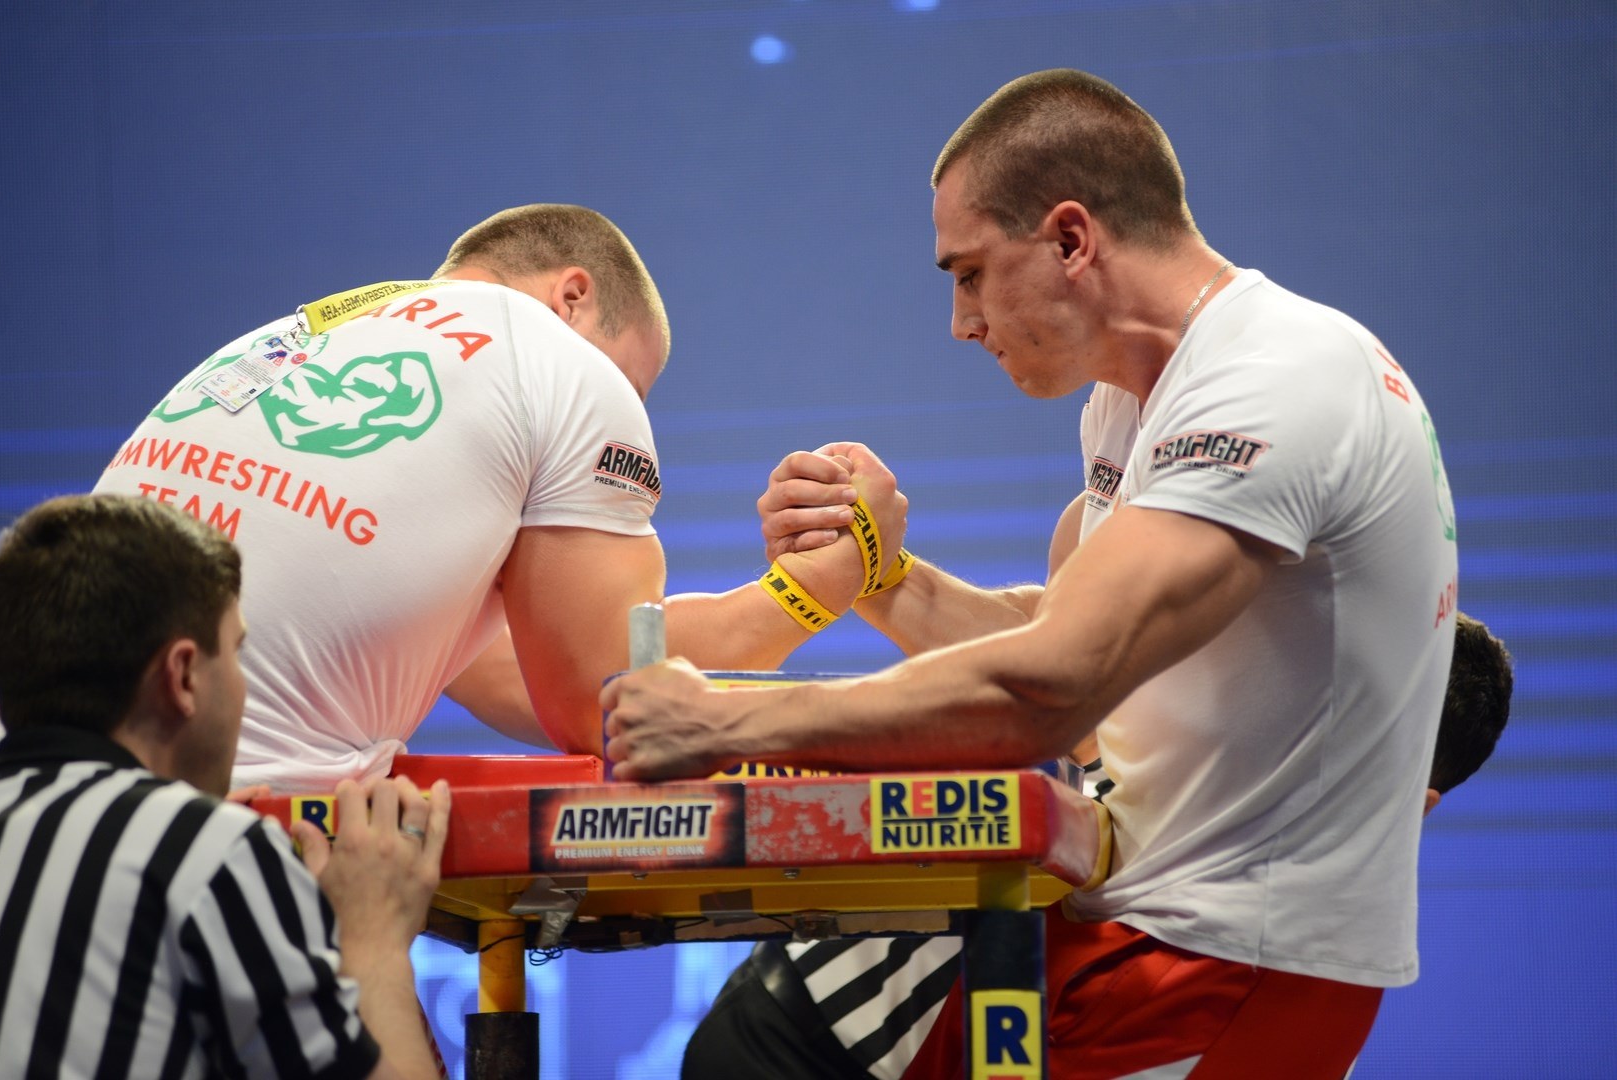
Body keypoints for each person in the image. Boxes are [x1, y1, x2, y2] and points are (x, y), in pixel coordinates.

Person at [604, 68, 1460, 1077]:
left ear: (1069, 239)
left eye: (967, 273)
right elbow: (1083, 659)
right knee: (762, 1033)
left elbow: (1053, 686)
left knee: (776, 1036)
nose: (962, 322)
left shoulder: (1274, 381)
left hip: (1219, 966)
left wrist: (719, 725)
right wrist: (879, 575)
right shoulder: (1139, 400)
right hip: (1128, 935)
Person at [78, 204, 898, 791]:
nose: (629, 411)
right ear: (572, 295)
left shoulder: (300, 335)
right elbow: (601, 702)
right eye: (632, 385)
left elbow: (521, 678)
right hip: (218, 823)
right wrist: (830, 580)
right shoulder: (561, 366)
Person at [681, 611, 1514, 1079]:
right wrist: (883, 580)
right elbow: (1062, 667)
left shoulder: (1299, 1003)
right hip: (786, 1037)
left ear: (1415, 806)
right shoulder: (1241, 733)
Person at [0, 493, 450, 1079]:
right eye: (235, 652)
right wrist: (372, 942)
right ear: (183, 675)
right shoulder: (209, 852)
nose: (240, 686)